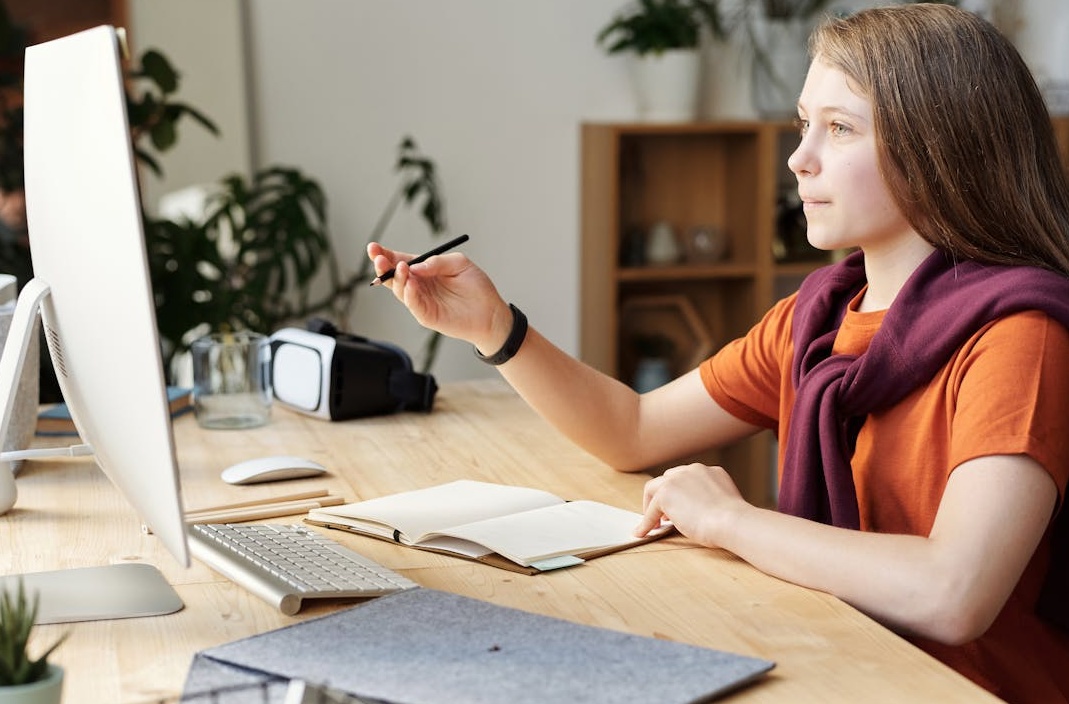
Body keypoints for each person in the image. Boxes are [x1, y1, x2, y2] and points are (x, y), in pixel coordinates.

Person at [367, 5, 1069, 702]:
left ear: (940, 150)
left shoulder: (1019, 338)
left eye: (840, 128)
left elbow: (953, 593)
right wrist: (495, 328)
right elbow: (632, 429)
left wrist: (730, 520)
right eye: (803, 123)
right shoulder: (815, 320)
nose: (798, 158)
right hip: (840, 662)